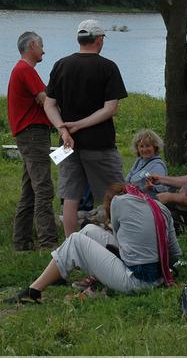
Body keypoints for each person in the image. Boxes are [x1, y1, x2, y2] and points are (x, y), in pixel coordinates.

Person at [4, 183, 182, 304]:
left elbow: (121, 242)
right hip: (160, 275)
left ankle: (33, 291)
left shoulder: (118, 202)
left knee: (75, 240)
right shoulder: (161, 208)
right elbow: (175, 253)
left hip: (136, 280)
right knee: (89, 230)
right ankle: (60, 272)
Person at [44, 19, 128, 237]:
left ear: (79, 40)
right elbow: (110, 109)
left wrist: (63, 130)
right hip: (99, 144)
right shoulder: (107, 67)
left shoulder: (61, 65)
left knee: (70, 198)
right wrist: (77, 126)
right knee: (117, 194)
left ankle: (71, 246)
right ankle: (124, 239)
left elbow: (49, 104)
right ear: (99, 40)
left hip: (67, 145)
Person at [7, 31, 58, 251]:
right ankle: (49, 243)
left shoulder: (22, 70)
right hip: (33, 135)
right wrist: (66, 123)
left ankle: (22, 242)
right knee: (43, 189)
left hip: (29, 135)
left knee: (29, 190)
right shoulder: (25, 70)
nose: (44, 50)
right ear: (33, 44)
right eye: (42, 45)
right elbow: (46, 100)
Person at [125, 129, 173, 196]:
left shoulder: (157, 165)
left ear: (155, 147)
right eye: (141, 146)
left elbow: (163, 188)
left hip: (149, 200)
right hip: (133, 195)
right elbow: (129, 177)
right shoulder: (139, 160)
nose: (144, 149)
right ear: (137, 148)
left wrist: (152, 187)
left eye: (148, 146)